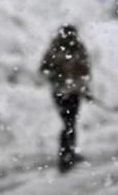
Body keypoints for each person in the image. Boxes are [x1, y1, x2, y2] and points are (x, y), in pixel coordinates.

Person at [38, 24, 90, 173]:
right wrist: (59, 80)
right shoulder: (57, 49)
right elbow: (44, 69)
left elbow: (84, 69)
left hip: (73, 92)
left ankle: (68, 152)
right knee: (69, 123)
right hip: (62, 93)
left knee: (70, 123)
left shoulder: (77, 48)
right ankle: (66, 155)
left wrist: (83, 88)